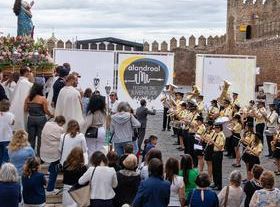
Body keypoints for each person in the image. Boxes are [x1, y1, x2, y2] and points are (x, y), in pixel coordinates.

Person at [24, 83, 53, 155]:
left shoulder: (28, 98)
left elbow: (25, 109)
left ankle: (30, 155)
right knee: (40, 138)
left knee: (31, 138)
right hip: (41, 119)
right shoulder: (43, 99)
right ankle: (40, 155)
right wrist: (51, 115)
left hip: (31, 119)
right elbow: (46, 111)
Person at [40, 116, 65, 194]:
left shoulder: (47, 124)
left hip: (44, 150)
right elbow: (62, 140)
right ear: (61, 122)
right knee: (55, 170)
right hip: (54, 153)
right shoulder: (60, 129)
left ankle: (49, 174)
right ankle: (50, 189)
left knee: (52, 167)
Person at [210, 123, 225, 191]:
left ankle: (219, 185)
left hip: (218, 153)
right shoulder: (216, 134)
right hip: (214, 153)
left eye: (216, 128)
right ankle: (215, 183)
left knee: (218, 170)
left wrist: (213, 142)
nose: (215, 129)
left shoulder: (221, 135)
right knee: (214, 169)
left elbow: (220, 147)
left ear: (219, 128)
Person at [0, 100, 15, 166]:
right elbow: (12, 123)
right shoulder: (11, 115)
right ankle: (5, 168)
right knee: (6, 155)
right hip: (7, 138)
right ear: (9, 106)